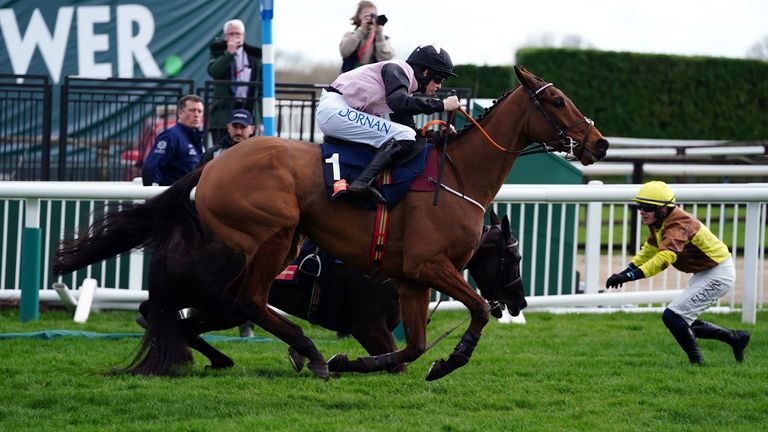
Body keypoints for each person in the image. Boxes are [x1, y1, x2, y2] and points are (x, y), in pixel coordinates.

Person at [605, 181, 751, 365]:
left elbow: (663, 259)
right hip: (706, 272)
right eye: (639, 206)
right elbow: (650, 249)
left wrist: (628, 277)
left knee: (672, 316)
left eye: (647, 207)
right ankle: (735, 338)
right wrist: (626, 271)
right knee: (681, 320)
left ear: (664, 209)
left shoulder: (678, 225)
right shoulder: (659, 220)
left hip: (718, 273)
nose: (642, 211)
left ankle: (697, 363)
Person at [316, 44, 462, 205]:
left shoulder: (402, 85)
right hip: (335, 110)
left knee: (406, 134)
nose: (439, 86)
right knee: (404, 135)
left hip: (336, 111)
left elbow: (410, 130)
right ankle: (361, 183)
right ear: (425, 72)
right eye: (439, 79)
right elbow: (399, 103)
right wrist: (440, 105)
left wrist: (435, 134)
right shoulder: (396, 70)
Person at [207, 19, 262, 146]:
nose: (234, 37)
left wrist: (260, 118)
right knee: (222, 151)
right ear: (225, 36)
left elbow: (261, 88)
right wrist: (229, 53)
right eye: (231, 34)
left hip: (247, 109)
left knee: (247, 152)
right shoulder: (217, 51)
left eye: (237, 34)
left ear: (243, 36)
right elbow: (214, 71)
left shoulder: (254, 55)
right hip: (223, 111)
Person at [142, 95, 205, 186]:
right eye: (192, 110)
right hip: (174, 196)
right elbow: (150, 168)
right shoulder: (171, 136)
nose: (196, 114)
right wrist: (153, 193)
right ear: (180, 113)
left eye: (199, 111)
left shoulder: (197, 139)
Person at [340, 1, 394, 73]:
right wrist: (360, 31)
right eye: (367, 16)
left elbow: (386, 60)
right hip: (350, 79)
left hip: (372, 80)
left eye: (373, 16)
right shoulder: (350, 35)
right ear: (359, 16)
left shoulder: (383, 38)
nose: (371, 18)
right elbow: (344, 52)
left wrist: (379, 36)